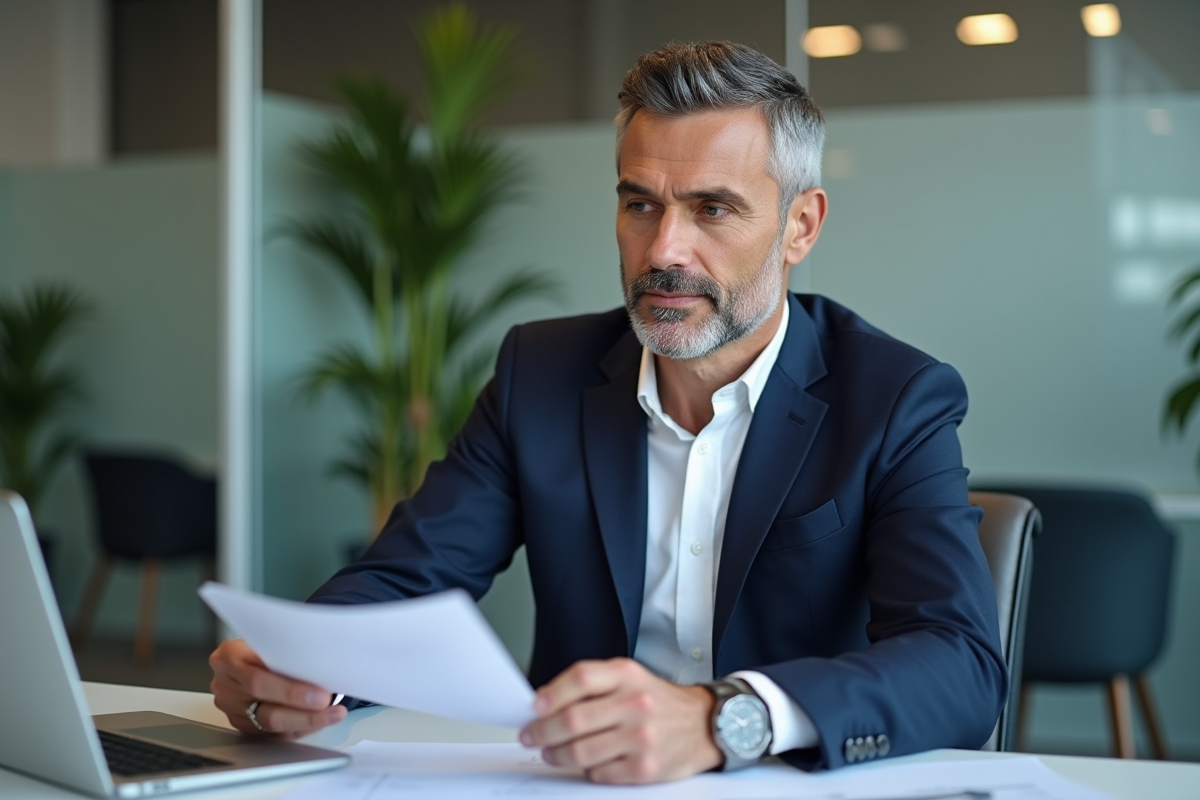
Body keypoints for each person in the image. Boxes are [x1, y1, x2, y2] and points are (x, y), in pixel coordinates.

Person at [209, 41, 1006, 784]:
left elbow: (960, 665)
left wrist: (724, 719)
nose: (663, 251)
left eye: (713, 210)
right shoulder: (542, 374)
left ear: (799, 226)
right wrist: (300, 669)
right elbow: (404, 578)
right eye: (640, 205)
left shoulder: (894, 397)